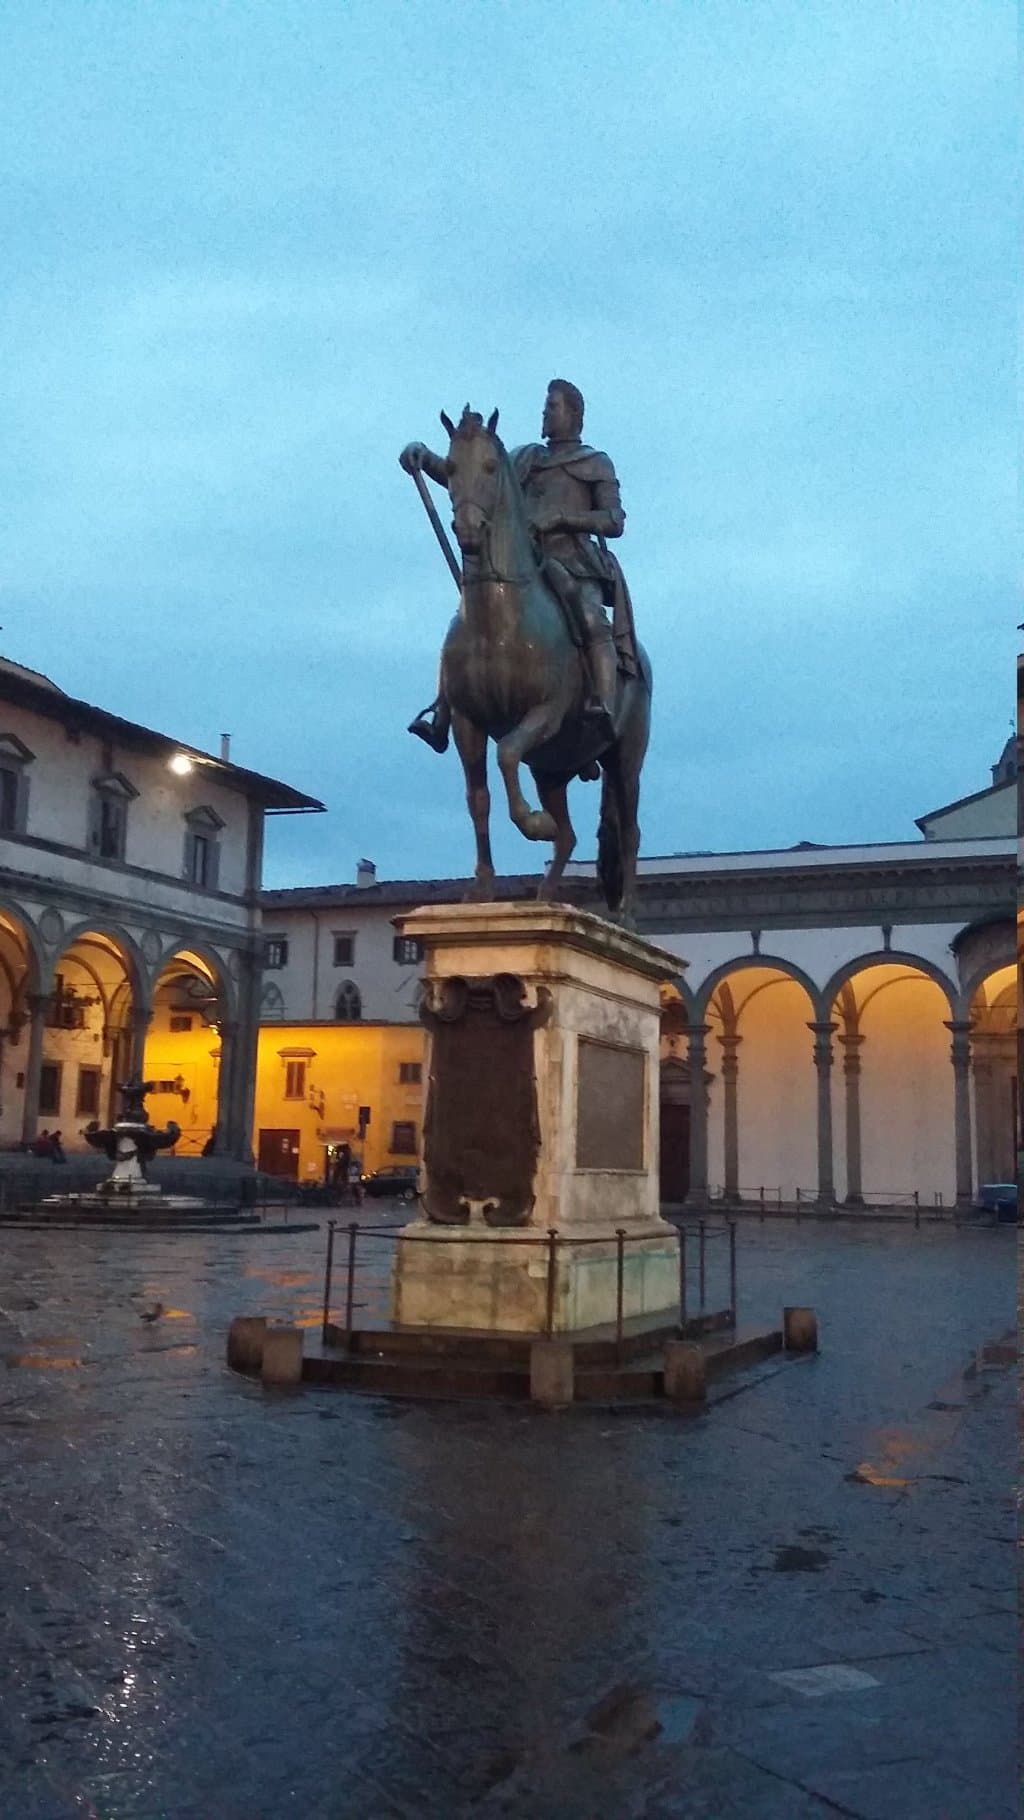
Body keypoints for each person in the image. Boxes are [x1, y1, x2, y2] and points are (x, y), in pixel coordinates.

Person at [403, 378, 637, 755]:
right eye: (545, 407)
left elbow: (614, 521)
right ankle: (441, 711)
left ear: (574, 414)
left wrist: (561, 517)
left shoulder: (594, 462)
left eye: (552, 407)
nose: (544, 414)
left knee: (591, 618)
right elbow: (472, 477)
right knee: (468, 619)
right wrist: (424, 456)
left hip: (574, 562)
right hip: (522, 561)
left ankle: (603, 702)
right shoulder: (526, 458)